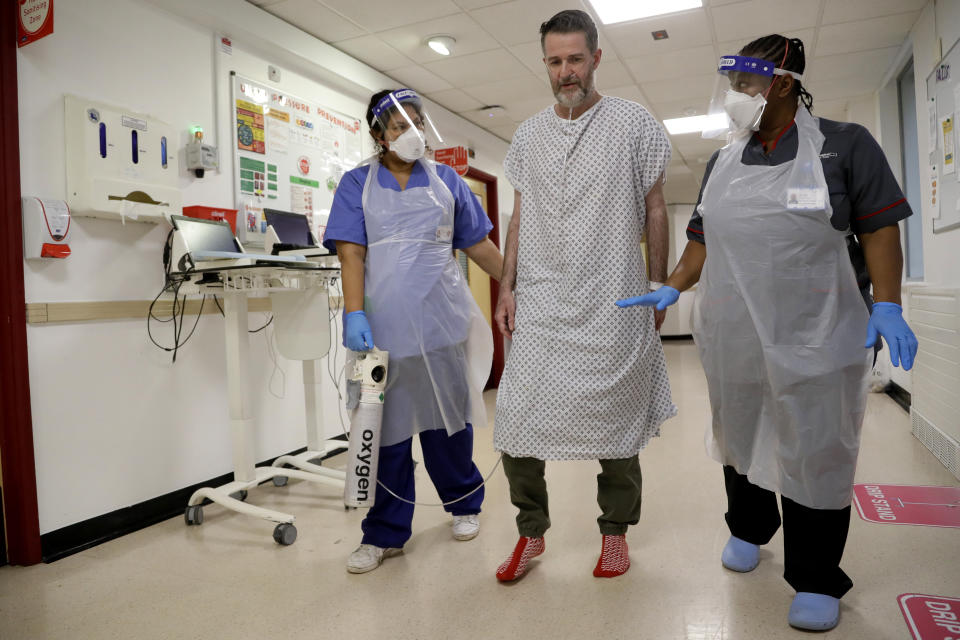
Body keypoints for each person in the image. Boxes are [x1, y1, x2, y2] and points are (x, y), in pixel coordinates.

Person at [617, 35, 918, 631]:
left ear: (782, 83)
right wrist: (674, 284)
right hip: (735, 332)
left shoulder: (844, 146)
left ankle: (814, 577)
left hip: (818, 331)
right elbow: (702, 239)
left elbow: (881, 228)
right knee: (740, 429)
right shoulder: (724, 161)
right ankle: (750, 529)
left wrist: (887, 304)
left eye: (746, 85)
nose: (736, 97)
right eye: (732, 86)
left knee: (815, 445)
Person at [493, 9, 676, 582]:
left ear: (596, 58)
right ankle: (531, 532)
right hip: (544, 304)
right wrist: (507, 287)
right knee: (515, 423)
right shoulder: (527, 135)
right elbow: (518, 219)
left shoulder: (634, 123)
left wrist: (659, 286)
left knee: (616, 427)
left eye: (575, 59)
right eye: (555, 61)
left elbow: (654, 208)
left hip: (614, 300)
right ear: (544, 64)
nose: (565, 71)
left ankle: (615, 534)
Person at [323, 88, 504, 574]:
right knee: (381, 434)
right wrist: (354, 315)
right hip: (378, 331)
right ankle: (384, 533)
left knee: (450, 423)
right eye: (400, 125)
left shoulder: (447, 181)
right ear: (379, 134)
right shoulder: (355, 184)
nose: (412, 132)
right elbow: (351, 255)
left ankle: (464, 505)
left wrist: (515, 285)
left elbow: (479, 245)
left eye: (418, 122)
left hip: (441, 322)